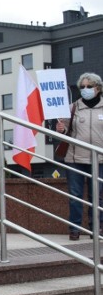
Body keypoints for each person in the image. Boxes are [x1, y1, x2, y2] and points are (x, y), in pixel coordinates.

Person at [56, 72, 103, 240]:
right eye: (82, 86)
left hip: (99, 160)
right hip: (75, 158)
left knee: (97, 196)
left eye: (89, 86)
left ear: (98, 88)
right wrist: (60, 128)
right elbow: (62, 132)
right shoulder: (72, 107)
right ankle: (74, 228)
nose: (85, 89)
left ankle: (96, 228)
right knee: (75, 195)